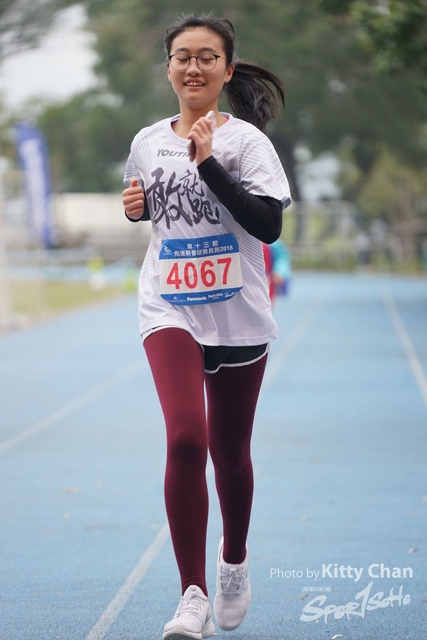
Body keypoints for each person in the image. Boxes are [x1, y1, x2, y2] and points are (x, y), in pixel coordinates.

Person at [122, 12, 291, 640]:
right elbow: (159, 210)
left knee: (230, 455)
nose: (193, 67)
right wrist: (137, 208)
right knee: (187, 439)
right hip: (169, 306)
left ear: (226, 69)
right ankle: (190, 594)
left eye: (206, 57)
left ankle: (233, 560)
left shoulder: (248, 143)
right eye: (182, 57)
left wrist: (210, 162)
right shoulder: (146, 141)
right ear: (168, 68)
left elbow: (268, 225)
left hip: (237, 311)